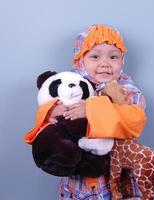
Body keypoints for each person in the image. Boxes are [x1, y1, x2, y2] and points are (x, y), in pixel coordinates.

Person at [41, 25, 146, 199]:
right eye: (95, 57)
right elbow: (47, 106)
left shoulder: (127, 91)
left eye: (113, 57)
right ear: (80, 60)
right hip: (79, 178)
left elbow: (133, 120)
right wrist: (50, 113)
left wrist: (90, 109)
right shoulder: (71, 86)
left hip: (116, 174)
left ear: (122, 61)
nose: (104, 63)